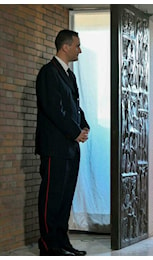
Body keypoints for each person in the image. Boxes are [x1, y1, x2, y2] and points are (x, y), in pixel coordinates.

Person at [35, 29, 90, 256]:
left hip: (70, 146)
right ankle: (48, 244)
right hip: (54, 147)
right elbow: (53, 110)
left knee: (66, 196)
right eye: (77, 45)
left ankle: (62, 240)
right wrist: (74, 131)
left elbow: (73, 106)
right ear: (65, 46)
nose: (80, 49)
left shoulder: (69, 75)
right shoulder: (49, 73)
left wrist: (84, 126)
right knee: (52, 196)